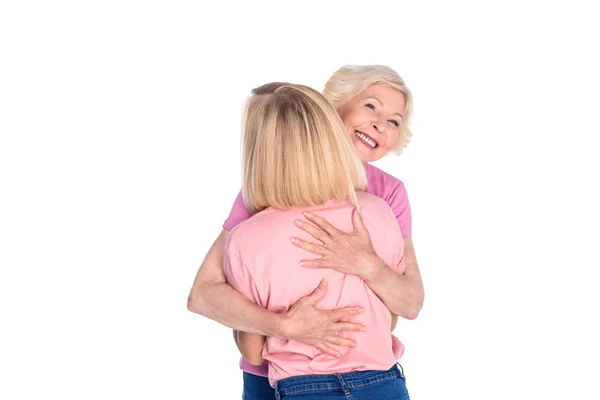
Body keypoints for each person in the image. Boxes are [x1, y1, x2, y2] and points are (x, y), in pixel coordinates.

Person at [188, 65, 424, 399]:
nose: (380, 125)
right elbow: (203, 294)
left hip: (342, 371)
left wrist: (364, 263)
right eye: (371, 106)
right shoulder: (265, 188)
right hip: (273, 375)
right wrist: (284, 326)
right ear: (332, 109)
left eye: (394, 121)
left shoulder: (387, 195)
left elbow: (408, 305)